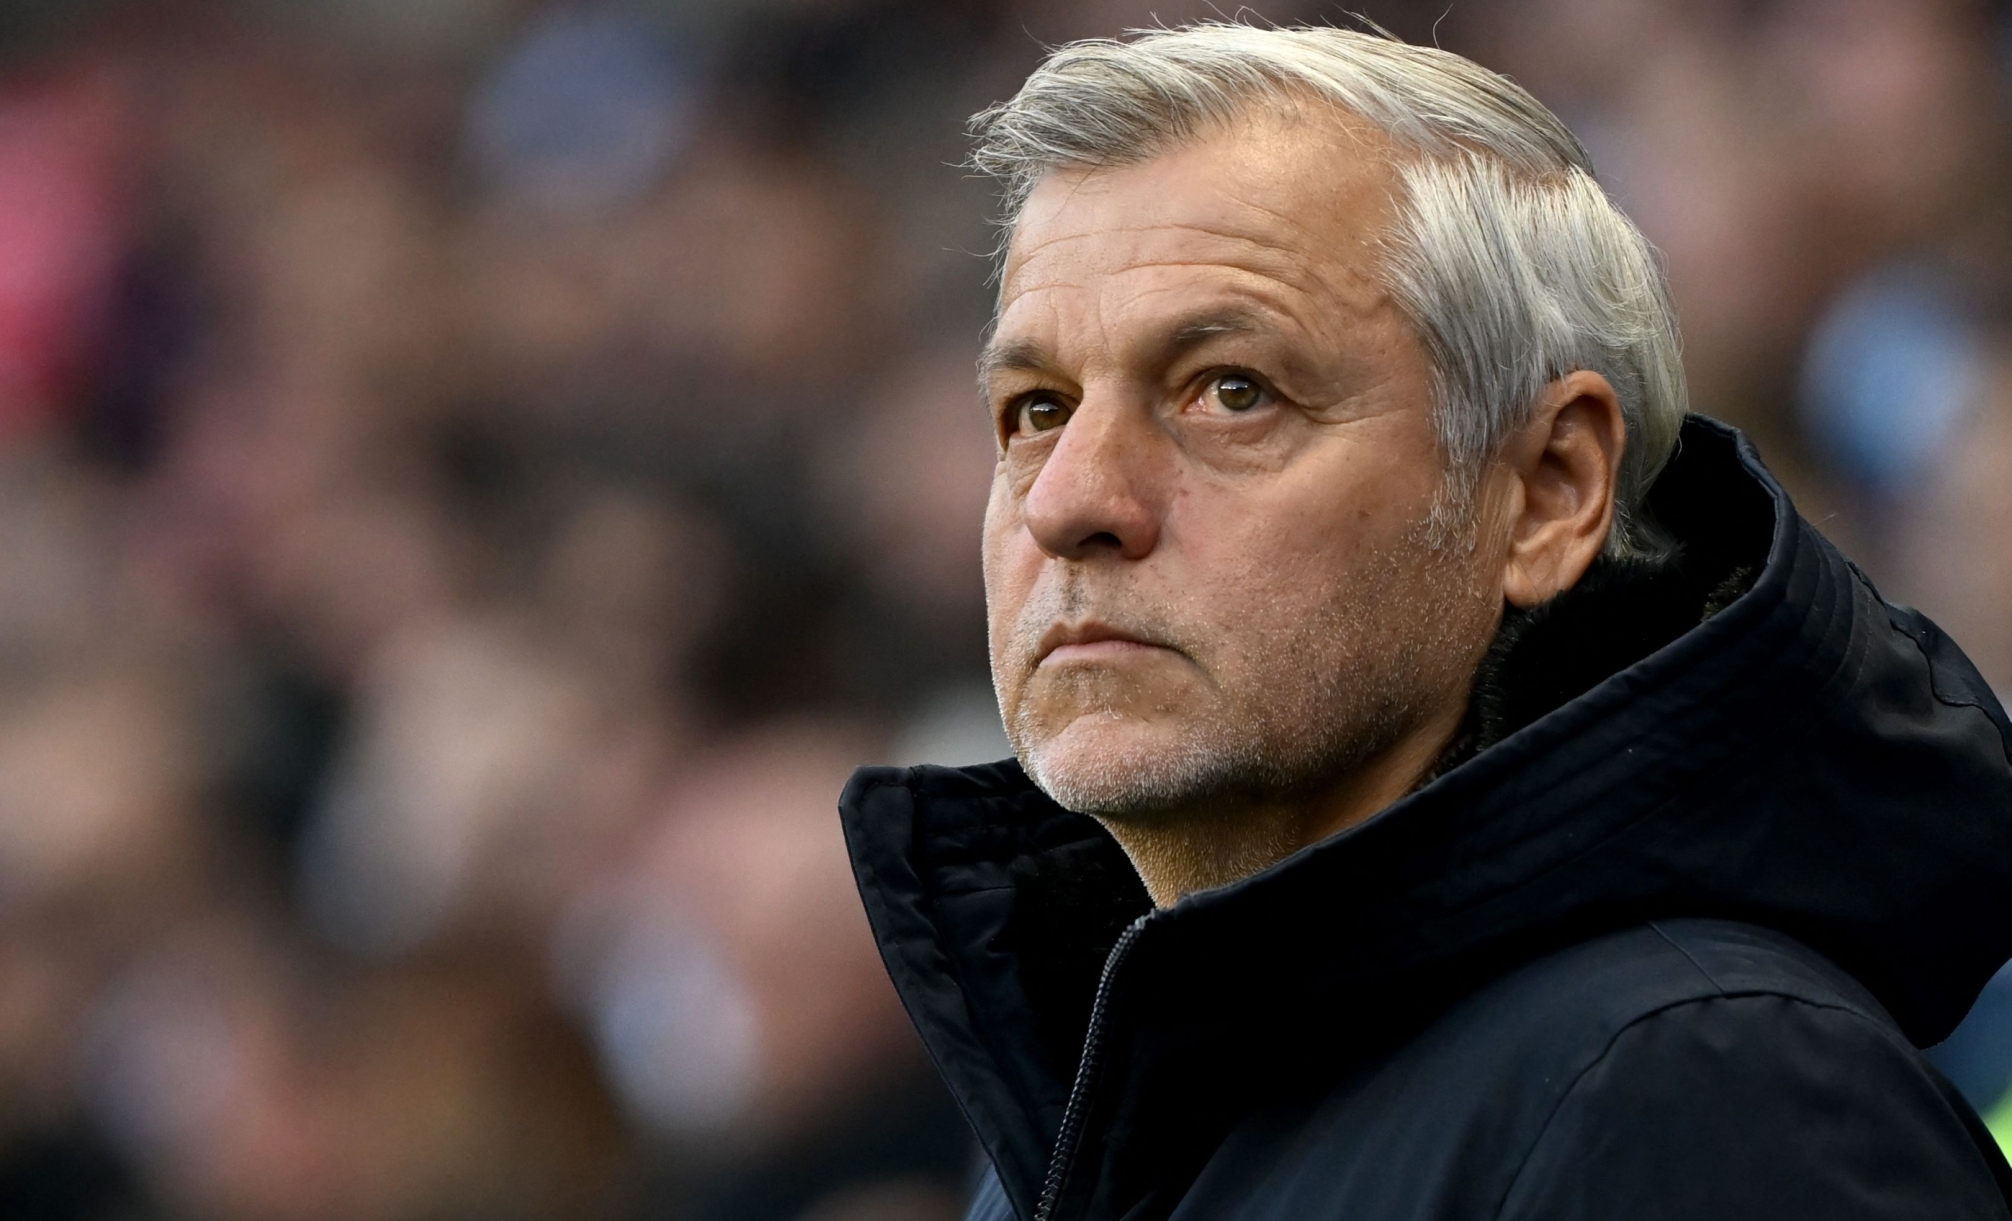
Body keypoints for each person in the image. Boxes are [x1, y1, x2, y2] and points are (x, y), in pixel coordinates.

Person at [838, 23, 2012, 1221]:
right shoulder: (1087, 1121)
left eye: (1232, 391)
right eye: (1035, 408)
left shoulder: (1705, 1096)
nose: (1071, 500)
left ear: (1548, 493)